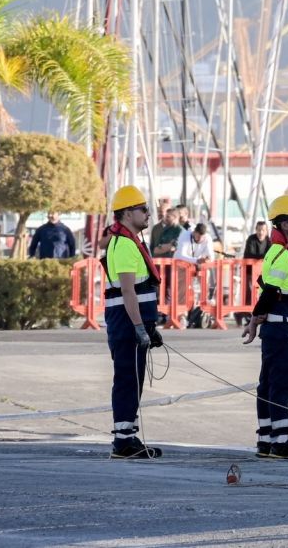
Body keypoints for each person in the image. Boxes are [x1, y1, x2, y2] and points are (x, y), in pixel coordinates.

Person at [242, 192, 288, 459]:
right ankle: (281, 443)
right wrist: (254, 320)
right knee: (281, 383)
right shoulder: (282, 253)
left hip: (276, 327)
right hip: (282, 328)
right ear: (284, 225)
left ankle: (266, 439)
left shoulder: (278, 249)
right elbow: (271, 293)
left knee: (268, 383)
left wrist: (254, 321)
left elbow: (267, 294)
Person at [102, 186, 163, 459]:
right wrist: (139, 327)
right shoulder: (125, 244)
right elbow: (128, 291)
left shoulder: (128, 240)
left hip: (130, 321)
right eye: (142, 209)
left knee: (132, 380)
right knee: (128, 379)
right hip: (126, 323)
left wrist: (149, 326)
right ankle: (123, 442)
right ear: (127, 214)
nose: (147, 213)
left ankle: (127, 437)